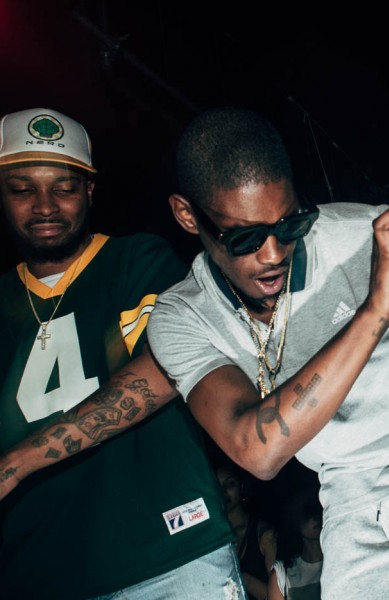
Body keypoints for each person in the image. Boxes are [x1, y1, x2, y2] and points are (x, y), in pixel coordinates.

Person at [146, 106, 389, 599]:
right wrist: (376, 310)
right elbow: (257, 452)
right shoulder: (183, 318)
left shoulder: (366, 237)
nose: (273, 254)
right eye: (245, 237)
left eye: (289, 224)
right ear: (187, 215)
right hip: (347, 485)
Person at [0, 108, 243, 598]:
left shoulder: (137, 260)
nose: (45, 206)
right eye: (23, 189)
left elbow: (168, 367)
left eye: (64, 188)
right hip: (35, 576)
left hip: (168, 555)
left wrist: (18, 461)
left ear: (90, 191)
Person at [216, 458, 278, 600]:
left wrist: (245, 580)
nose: (223, 491)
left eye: (230, 484)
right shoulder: (214, 538)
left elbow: (279, 594)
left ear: (242, 486)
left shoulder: (264, 535)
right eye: (217, 487)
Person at [268, 484, 324, 600]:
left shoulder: (342, 561)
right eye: (307, 512)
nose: (315, 517)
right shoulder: (282, 573)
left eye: (318, 510)